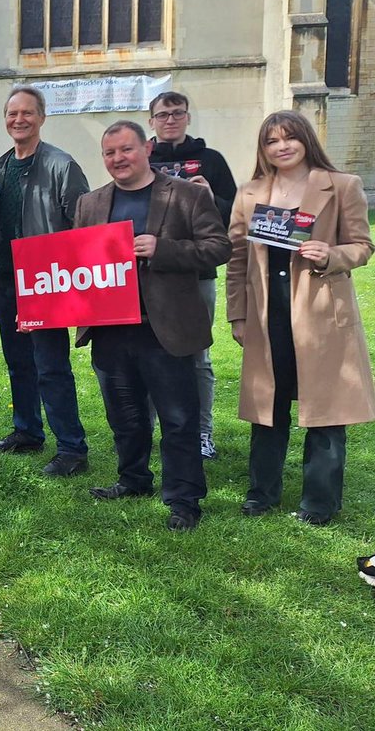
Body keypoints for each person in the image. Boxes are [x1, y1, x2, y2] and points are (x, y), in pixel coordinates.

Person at [74, 120, 229, 531]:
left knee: (178, 418)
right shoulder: (90, 203)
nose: (117, 159)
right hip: (110, 326)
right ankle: (133, 478)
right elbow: (74, 263)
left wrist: (164, 249)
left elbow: (219, 248)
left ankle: (184, 498)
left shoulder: (187, 194)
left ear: (147, 149)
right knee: (124, 415)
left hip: (166, 327)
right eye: (109, 153)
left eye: (125, 150)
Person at [226, 110, 375, 526]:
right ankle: (261, 493)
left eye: (289, 138)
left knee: (325, 410)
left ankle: (320, 503)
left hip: (321, 315)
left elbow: (363, 245)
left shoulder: (342, 185)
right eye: (272, 141)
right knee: (266, 407)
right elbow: (237, 260)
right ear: (264, 149)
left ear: (306, 139)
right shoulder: (249, 193)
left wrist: (332, 255)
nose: (282, 146)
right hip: (266, 313)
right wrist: (237, 314)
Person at [0, 86, 91, 475]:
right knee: (18, 362)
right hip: (5, 280)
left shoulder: (61, 165)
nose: (19, 120)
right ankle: (27, 430)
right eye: (12, 113)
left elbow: (82, 225)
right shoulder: (0, 169)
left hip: (45, 283)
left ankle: (72, 448)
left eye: (27, 113)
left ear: (42, 117)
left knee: (51, 365)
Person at [148, 91, 238, 459]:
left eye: (177, 113)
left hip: (197, 274)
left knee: (197, 356)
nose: (170, 120)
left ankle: (202, 433)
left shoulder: (210, 160)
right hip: (149, 274)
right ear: (150, 120)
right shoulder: (142, 159)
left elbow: (235, 217)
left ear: (187, 117)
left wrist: (212, 198)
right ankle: (148, 429)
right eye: (163, 114)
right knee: (149, 353)